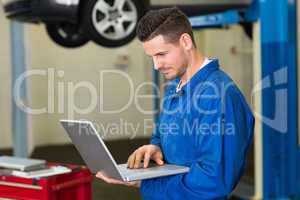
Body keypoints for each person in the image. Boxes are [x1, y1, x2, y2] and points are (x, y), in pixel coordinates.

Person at [96, 7, 255, 200]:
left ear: (186, 42)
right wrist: (155, 149)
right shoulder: (175, 88)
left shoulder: (217, 97)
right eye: (152, 57)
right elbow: (162, 136)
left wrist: (147, 183)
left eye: (162, 54)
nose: (156, 65)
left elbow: (214, 180)